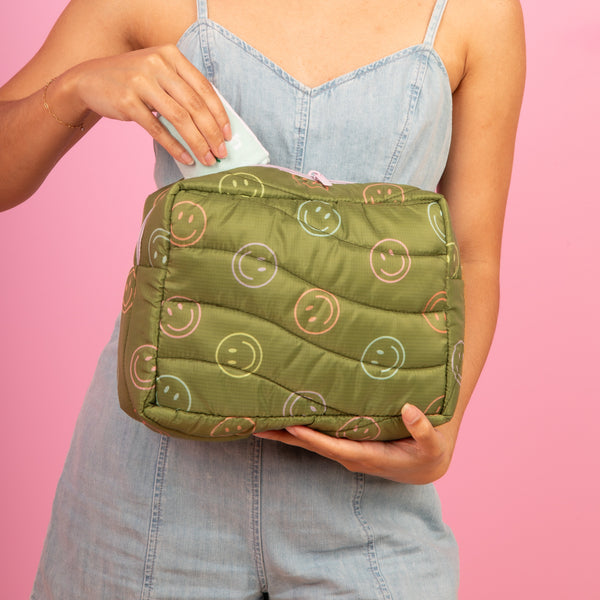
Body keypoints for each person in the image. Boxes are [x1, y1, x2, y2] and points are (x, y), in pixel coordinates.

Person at [0, 0, 525, 597]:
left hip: (367, 504)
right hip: (144, 494)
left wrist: (443, 436)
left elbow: (474, 255)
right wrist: (72, 88)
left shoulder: (477, 13)